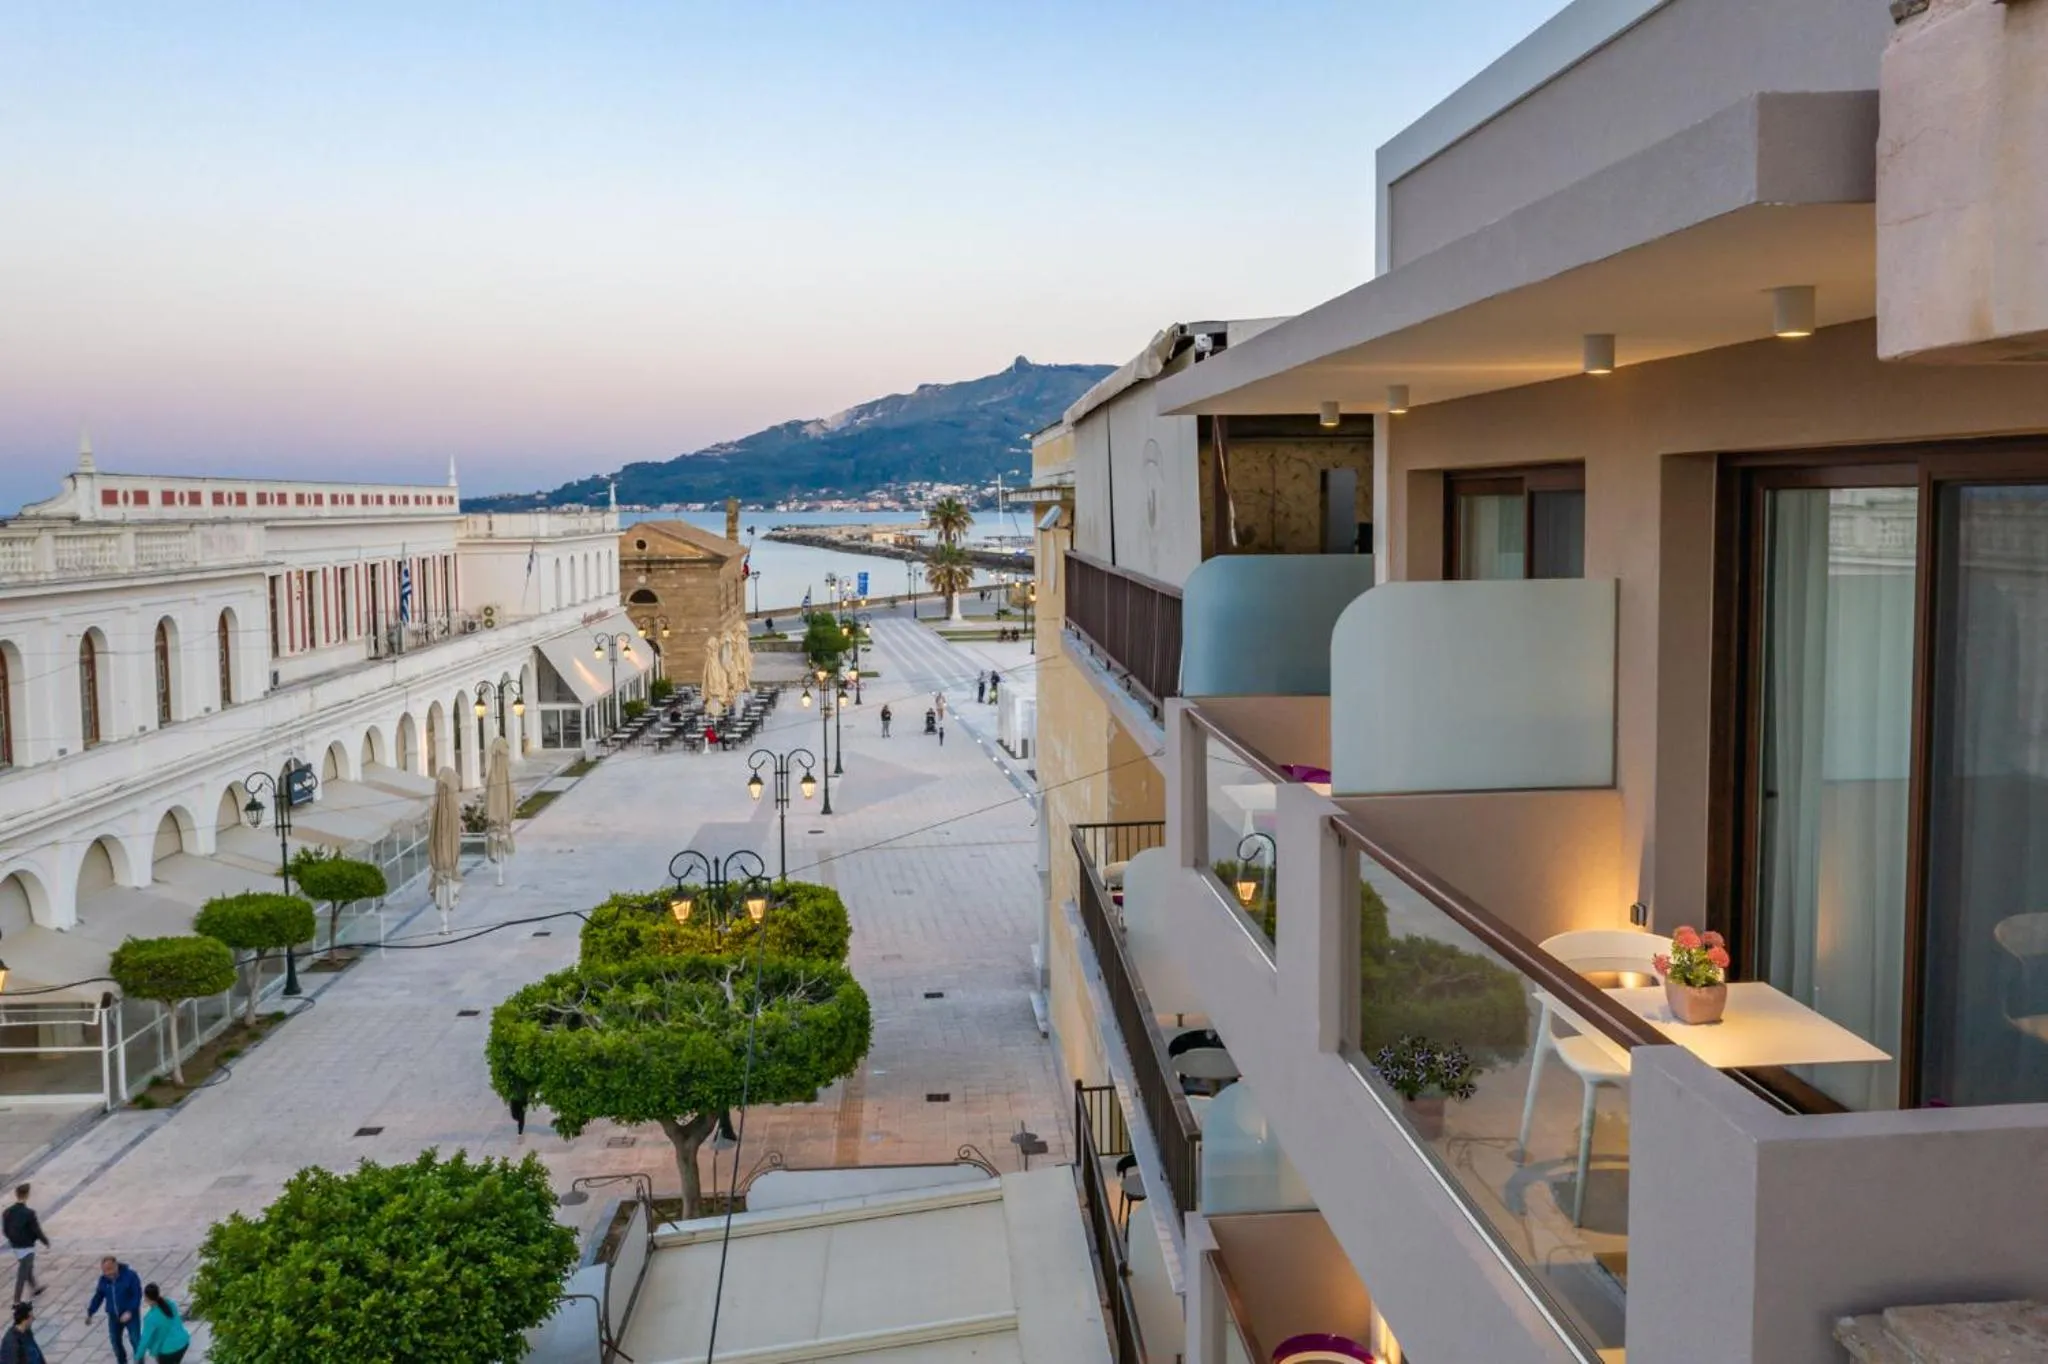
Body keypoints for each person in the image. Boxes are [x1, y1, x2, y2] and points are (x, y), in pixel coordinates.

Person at [86, 1258, 142, 1364]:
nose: (108, 1273)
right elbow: (99, 1296)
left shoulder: (130, 1276)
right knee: (115, 1341)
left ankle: (139, 1361)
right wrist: (90, 1312)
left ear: (116, 1265)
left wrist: (130, 1311)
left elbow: (137, 1295)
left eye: (110, 1269)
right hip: (114, 1316)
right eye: (105, 1271)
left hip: (130, 1315)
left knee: (135, 1340)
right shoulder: (103, 1280)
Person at [5, 1187, 45, 1306]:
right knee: (23, 1272)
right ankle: (16, 1300)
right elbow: (36, 1230)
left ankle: (35, 1287)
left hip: (16, 1245)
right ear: (27, 1195)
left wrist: (12, 1240)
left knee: (27, 1266)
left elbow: (5, 1230)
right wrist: (45, 1241)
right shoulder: (29, 1213)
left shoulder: (7, 1212)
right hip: (27, 1245)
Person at [136, 1285, 189, 1364]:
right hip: (183, 1342)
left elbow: (145, 1340)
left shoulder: (150, 1318)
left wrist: (138, 1357)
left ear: (146, 1298)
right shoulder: (170, 1303)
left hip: (168, 1350)